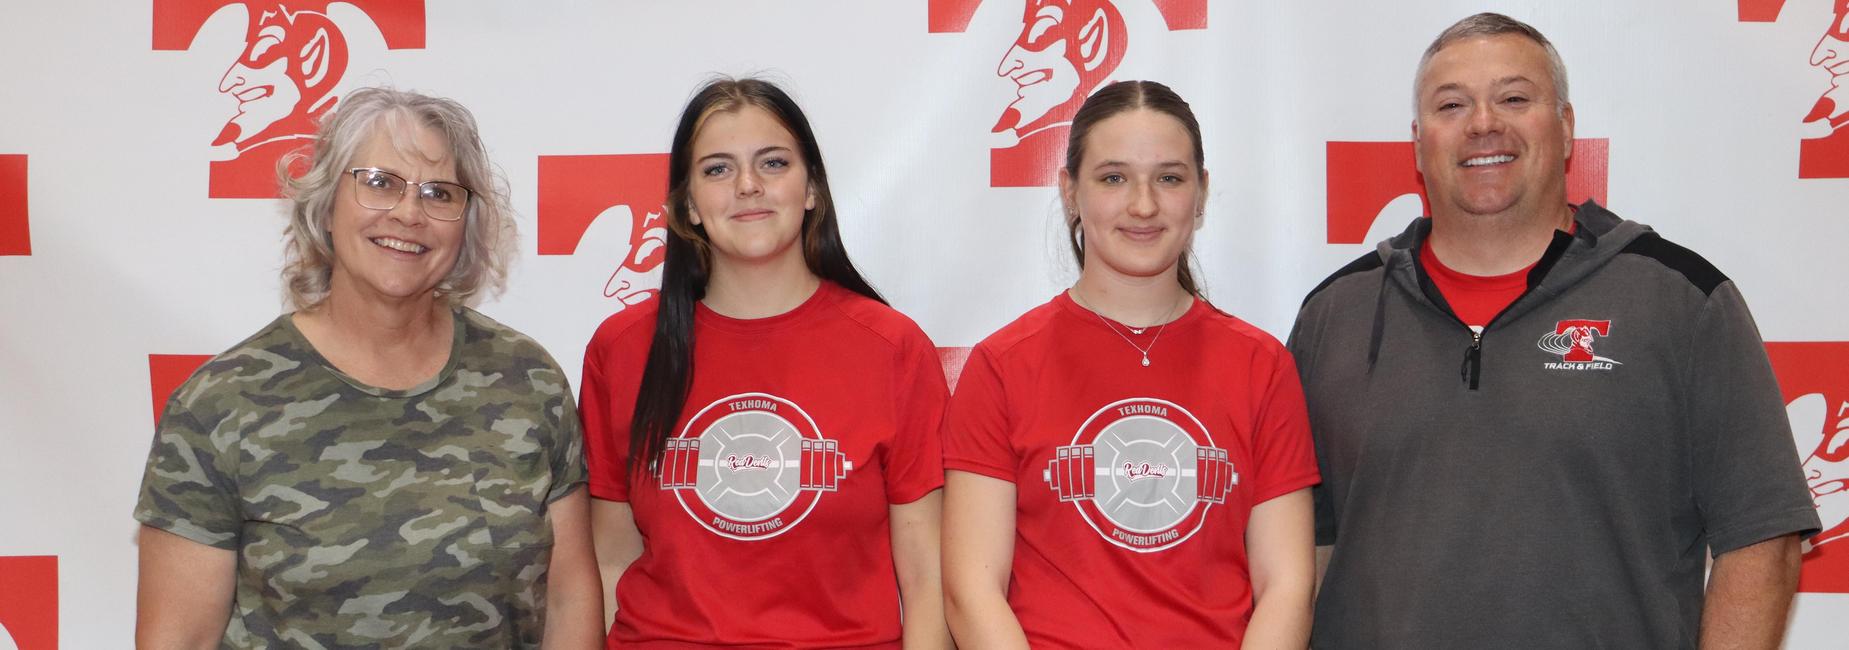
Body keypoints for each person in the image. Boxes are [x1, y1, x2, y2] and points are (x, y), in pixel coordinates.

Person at [1290, 13, 1822, 648]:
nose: (1483, 123)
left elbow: (1762, 537)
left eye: (1515, 98)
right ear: (1417, 142)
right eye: (1452, 104)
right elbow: (1298, 555)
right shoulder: (1334, 315)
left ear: (1566, 127)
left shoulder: (1681, 301)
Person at [134, 87, 602, 647]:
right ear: (327, 203)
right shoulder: (219, 405)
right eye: (379, 182)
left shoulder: (527, 380)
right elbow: (178, 639)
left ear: (467, 223)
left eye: (439, 193)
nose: (409, 213)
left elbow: (569, 597)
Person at [942, 80, 1319, 649]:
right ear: (1070, 191)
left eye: (1169, 178)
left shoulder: (1262, 366)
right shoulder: (1002, 366)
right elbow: (971, 591)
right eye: (1113, 178)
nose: (1143, 205)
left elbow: (1287, 587)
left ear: (1201, 192)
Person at [578, 77, 951, 648]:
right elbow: (610, 561)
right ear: (687, 206)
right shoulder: (623, 347)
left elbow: (927, 579)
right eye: (718, 169)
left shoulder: (893, 348)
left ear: (811, 189)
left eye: (773, 163)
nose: (748, 186)